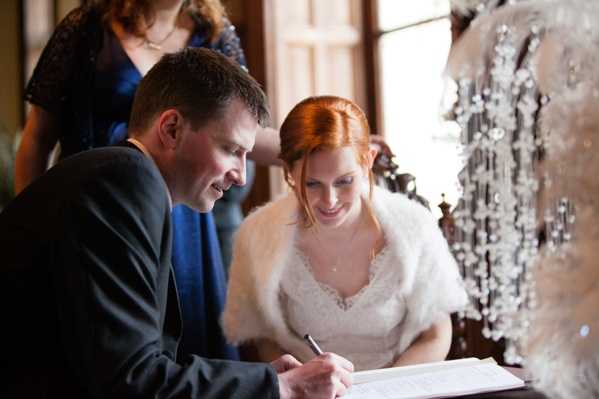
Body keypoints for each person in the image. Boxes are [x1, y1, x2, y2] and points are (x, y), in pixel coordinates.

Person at [0, 48, 353, 399]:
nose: (241, 177)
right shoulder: (122, 183)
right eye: (231, 149)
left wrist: (262, 380)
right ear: (171, 128)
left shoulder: (122, 178)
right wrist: (281, 386)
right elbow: (133, 382)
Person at [14, 0, 281, 360]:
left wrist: (322, 147)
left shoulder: (213, 32)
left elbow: (240, 128)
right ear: (169, 126)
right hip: (103, 204)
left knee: (186, 341)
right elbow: (36, 138)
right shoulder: (87, 27)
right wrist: (39, 232)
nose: (241, 173)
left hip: (186, 220)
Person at [223, 96, 468, 371]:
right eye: (312, 183)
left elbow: (435, 335)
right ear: (289, 170)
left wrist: (386, 390)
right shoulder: (259, 234)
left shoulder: (414, 227)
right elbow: (264, 338)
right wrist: (301, 381)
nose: (329, 200)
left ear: (367, 161)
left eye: (344, 181)